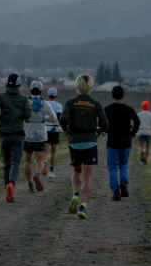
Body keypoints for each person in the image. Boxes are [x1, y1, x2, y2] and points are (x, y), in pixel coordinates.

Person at [60, 74, 109, 219]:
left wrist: (65, 129)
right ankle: (83, 205)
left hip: (75, 140)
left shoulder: (70, 102)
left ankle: (75, 193)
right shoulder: (96, 103)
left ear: (77, 85)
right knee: (87, 175)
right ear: (90, 86)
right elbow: (105, 123)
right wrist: (99, 131)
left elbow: (63, 118)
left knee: (77, 171)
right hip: (90, 140)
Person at [0, 73, 32, 202]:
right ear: (19, 85)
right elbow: (28, 114)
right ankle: (11, 184)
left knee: (6, 163)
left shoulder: (1, 96)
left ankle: (7, 189)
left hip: (4, 134)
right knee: (15, 162)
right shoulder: (23, 98)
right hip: (17, 134)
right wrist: (21, 116)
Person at [104, 86, 140, 201]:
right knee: (123, 164)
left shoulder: (107, 109)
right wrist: (132, 133)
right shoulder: (129, 109)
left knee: (112, 168)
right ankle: (123, 181)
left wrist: (105, 129)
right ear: (123, 96)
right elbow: (137, 121)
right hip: (125, 142)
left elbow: (101, 123)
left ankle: (116, 191)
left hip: (112, 142)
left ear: (112, 96)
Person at [23, 81, 57, 192]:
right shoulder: (45, 103)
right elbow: (54, 118)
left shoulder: (25, 102)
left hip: (27, 135)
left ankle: (30, 185)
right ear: (41, 92)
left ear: (30, 90)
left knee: (27, 161)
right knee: (39, 161)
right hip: (40, 136)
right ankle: (37, 174)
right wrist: (44, 118)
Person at [45, 87, 62, 178]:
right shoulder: (59, 105)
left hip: (45, 128)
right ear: (56, 95)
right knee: (53, 151)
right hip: (54, 129)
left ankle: (44, 160)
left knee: (45, 150)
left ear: (48, 95)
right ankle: (51, 171)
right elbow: (58, 117)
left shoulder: (44, 103)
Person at [137, 100, 151, 165]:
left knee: (141, 146)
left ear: (142, 106)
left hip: (141, 131)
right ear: (148, 106)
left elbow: (135, 121)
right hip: (148, 132)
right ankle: (145, 161)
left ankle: (141, 151)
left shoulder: (139, 114)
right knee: (147, 147)